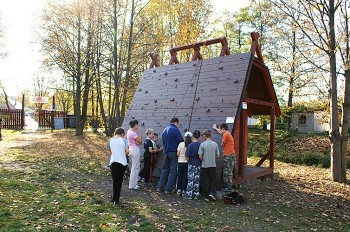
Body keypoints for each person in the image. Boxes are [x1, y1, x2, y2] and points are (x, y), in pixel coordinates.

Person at [157, 118, 184, 194]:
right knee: (173, 171)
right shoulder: (175, 130)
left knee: (165, 169)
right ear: (176, 122)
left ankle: (160, 187)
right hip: (173, 152)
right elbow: (181, 141)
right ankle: (168, 189)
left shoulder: (165, 130)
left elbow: (164, 142)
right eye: (177, 124)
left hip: (166, 152)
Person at [107, 127, 129, 205]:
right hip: (122, 162)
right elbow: (127, 151)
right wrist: (122, 154)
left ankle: (114, 198)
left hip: (113, 162)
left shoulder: (110, 140)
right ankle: (117, 198)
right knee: (120, 180)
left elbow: (110, 151)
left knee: (115, 180)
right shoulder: (124, 140)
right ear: (122, 134)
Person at [213, 123, 236, 192]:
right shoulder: (228, 133)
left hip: (228, 155)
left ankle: (228, 187)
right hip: (231, 154)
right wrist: (216, 128)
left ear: (223, 129)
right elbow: (220, 132)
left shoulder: (225, 135)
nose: (220, 131)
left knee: (227, 171)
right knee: (228, 170)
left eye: (220, 129)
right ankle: (228, 185)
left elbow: (222, 144)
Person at [198, 129, 220, 202]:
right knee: (213, 180)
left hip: (204, 165)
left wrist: (204, 159)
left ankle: (206, 196)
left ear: (205, 135)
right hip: (213, 165)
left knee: (205, 181)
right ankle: (212, 193)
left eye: (203, 135)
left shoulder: (202, 144)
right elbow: (218, 155)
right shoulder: (215, 144)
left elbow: (200, 156)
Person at [185, 130, 201, 200]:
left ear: (193, 137)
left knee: (190, 179)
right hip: (198, 163)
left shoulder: (190, 145)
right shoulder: (201, 145)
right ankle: (196, 195)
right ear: (199, 137)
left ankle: (189, 194)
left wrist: (189, 161)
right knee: (197, 180)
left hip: (191, 163)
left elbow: (187, 156)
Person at [127, 119, 142, 190]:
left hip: (131, 149)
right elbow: (140, 141)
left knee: (135, 167)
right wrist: (139, 132)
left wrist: (137, 142)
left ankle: (133, 183)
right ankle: (133, 184)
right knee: (135, 167)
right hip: (134, 150)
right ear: (135, 125)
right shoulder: (133, 133)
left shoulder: (129, 131)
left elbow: (136, 142)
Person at [176, 131, 192, 196]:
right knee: (185, 177)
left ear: (184, 137)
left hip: (180, 162)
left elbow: (177, 153)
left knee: (179, 176)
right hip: (187, 163)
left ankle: (178, 189)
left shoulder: (180, 144)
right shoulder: (191, 145)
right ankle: (184, 190)